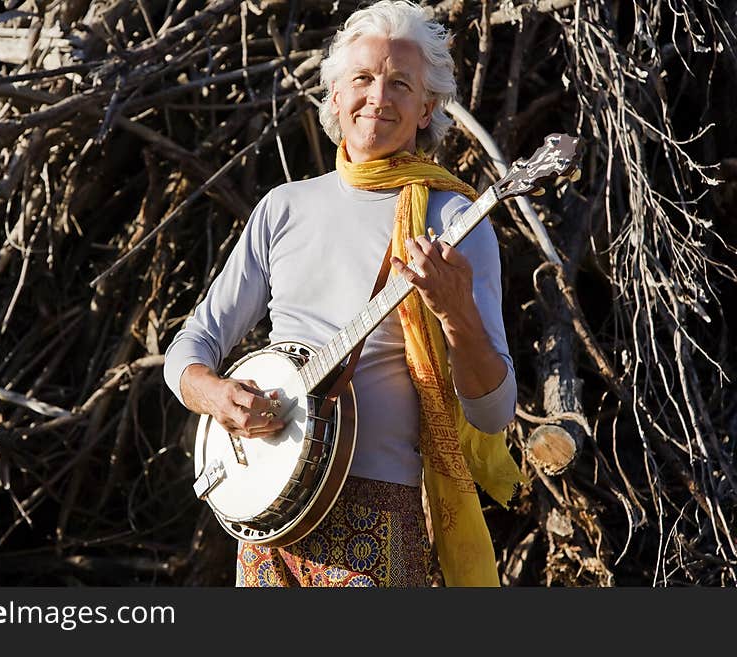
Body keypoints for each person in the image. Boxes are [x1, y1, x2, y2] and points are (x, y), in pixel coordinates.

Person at [163, 0, 523, 587]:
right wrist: (211, 393)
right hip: (266, 514)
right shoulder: (283, 208)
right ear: (334, 95)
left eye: (400, 83)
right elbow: (193, 342)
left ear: (427, 106)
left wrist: (457, 313)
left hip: (378, 516)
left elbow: (494, 410)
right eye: (362, 78)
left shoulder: (455, 217)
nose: (378, 96)